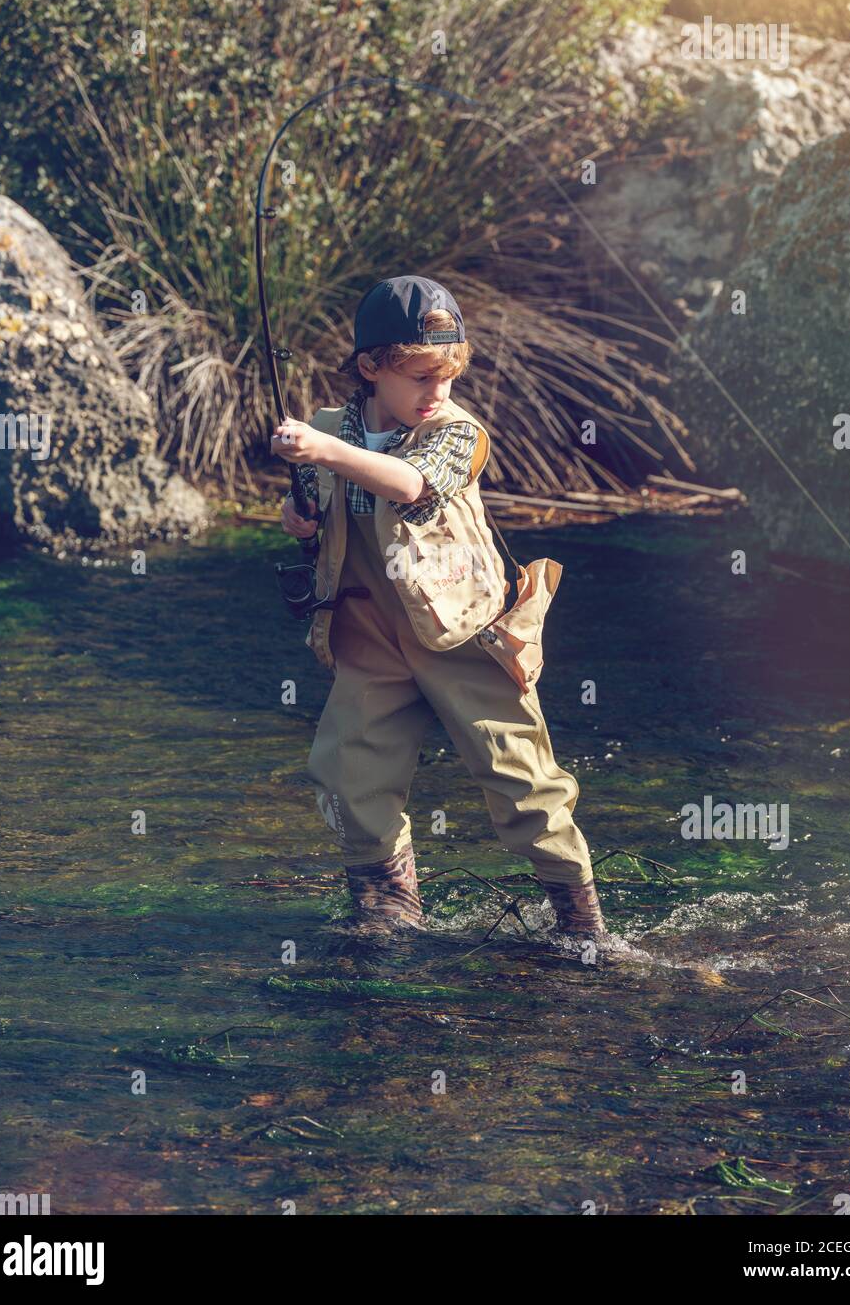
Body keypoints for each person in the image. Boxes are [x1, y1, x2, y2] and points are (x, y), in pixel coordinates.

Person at [272, 275, 644, 960]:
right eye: (420, 376)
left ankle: (583, 927)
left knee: (521, 779)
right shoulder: (329, 431)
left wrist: (325, 455)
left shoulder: (457, 433)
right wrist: (298, 520)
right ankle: (388, 913)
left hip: (464, 631)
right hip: (368, 635)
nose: (436, 392)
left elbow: (411, 487)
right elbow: (321, 521)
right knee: (349, 772)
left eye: (448, 375)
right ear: (369, 368)